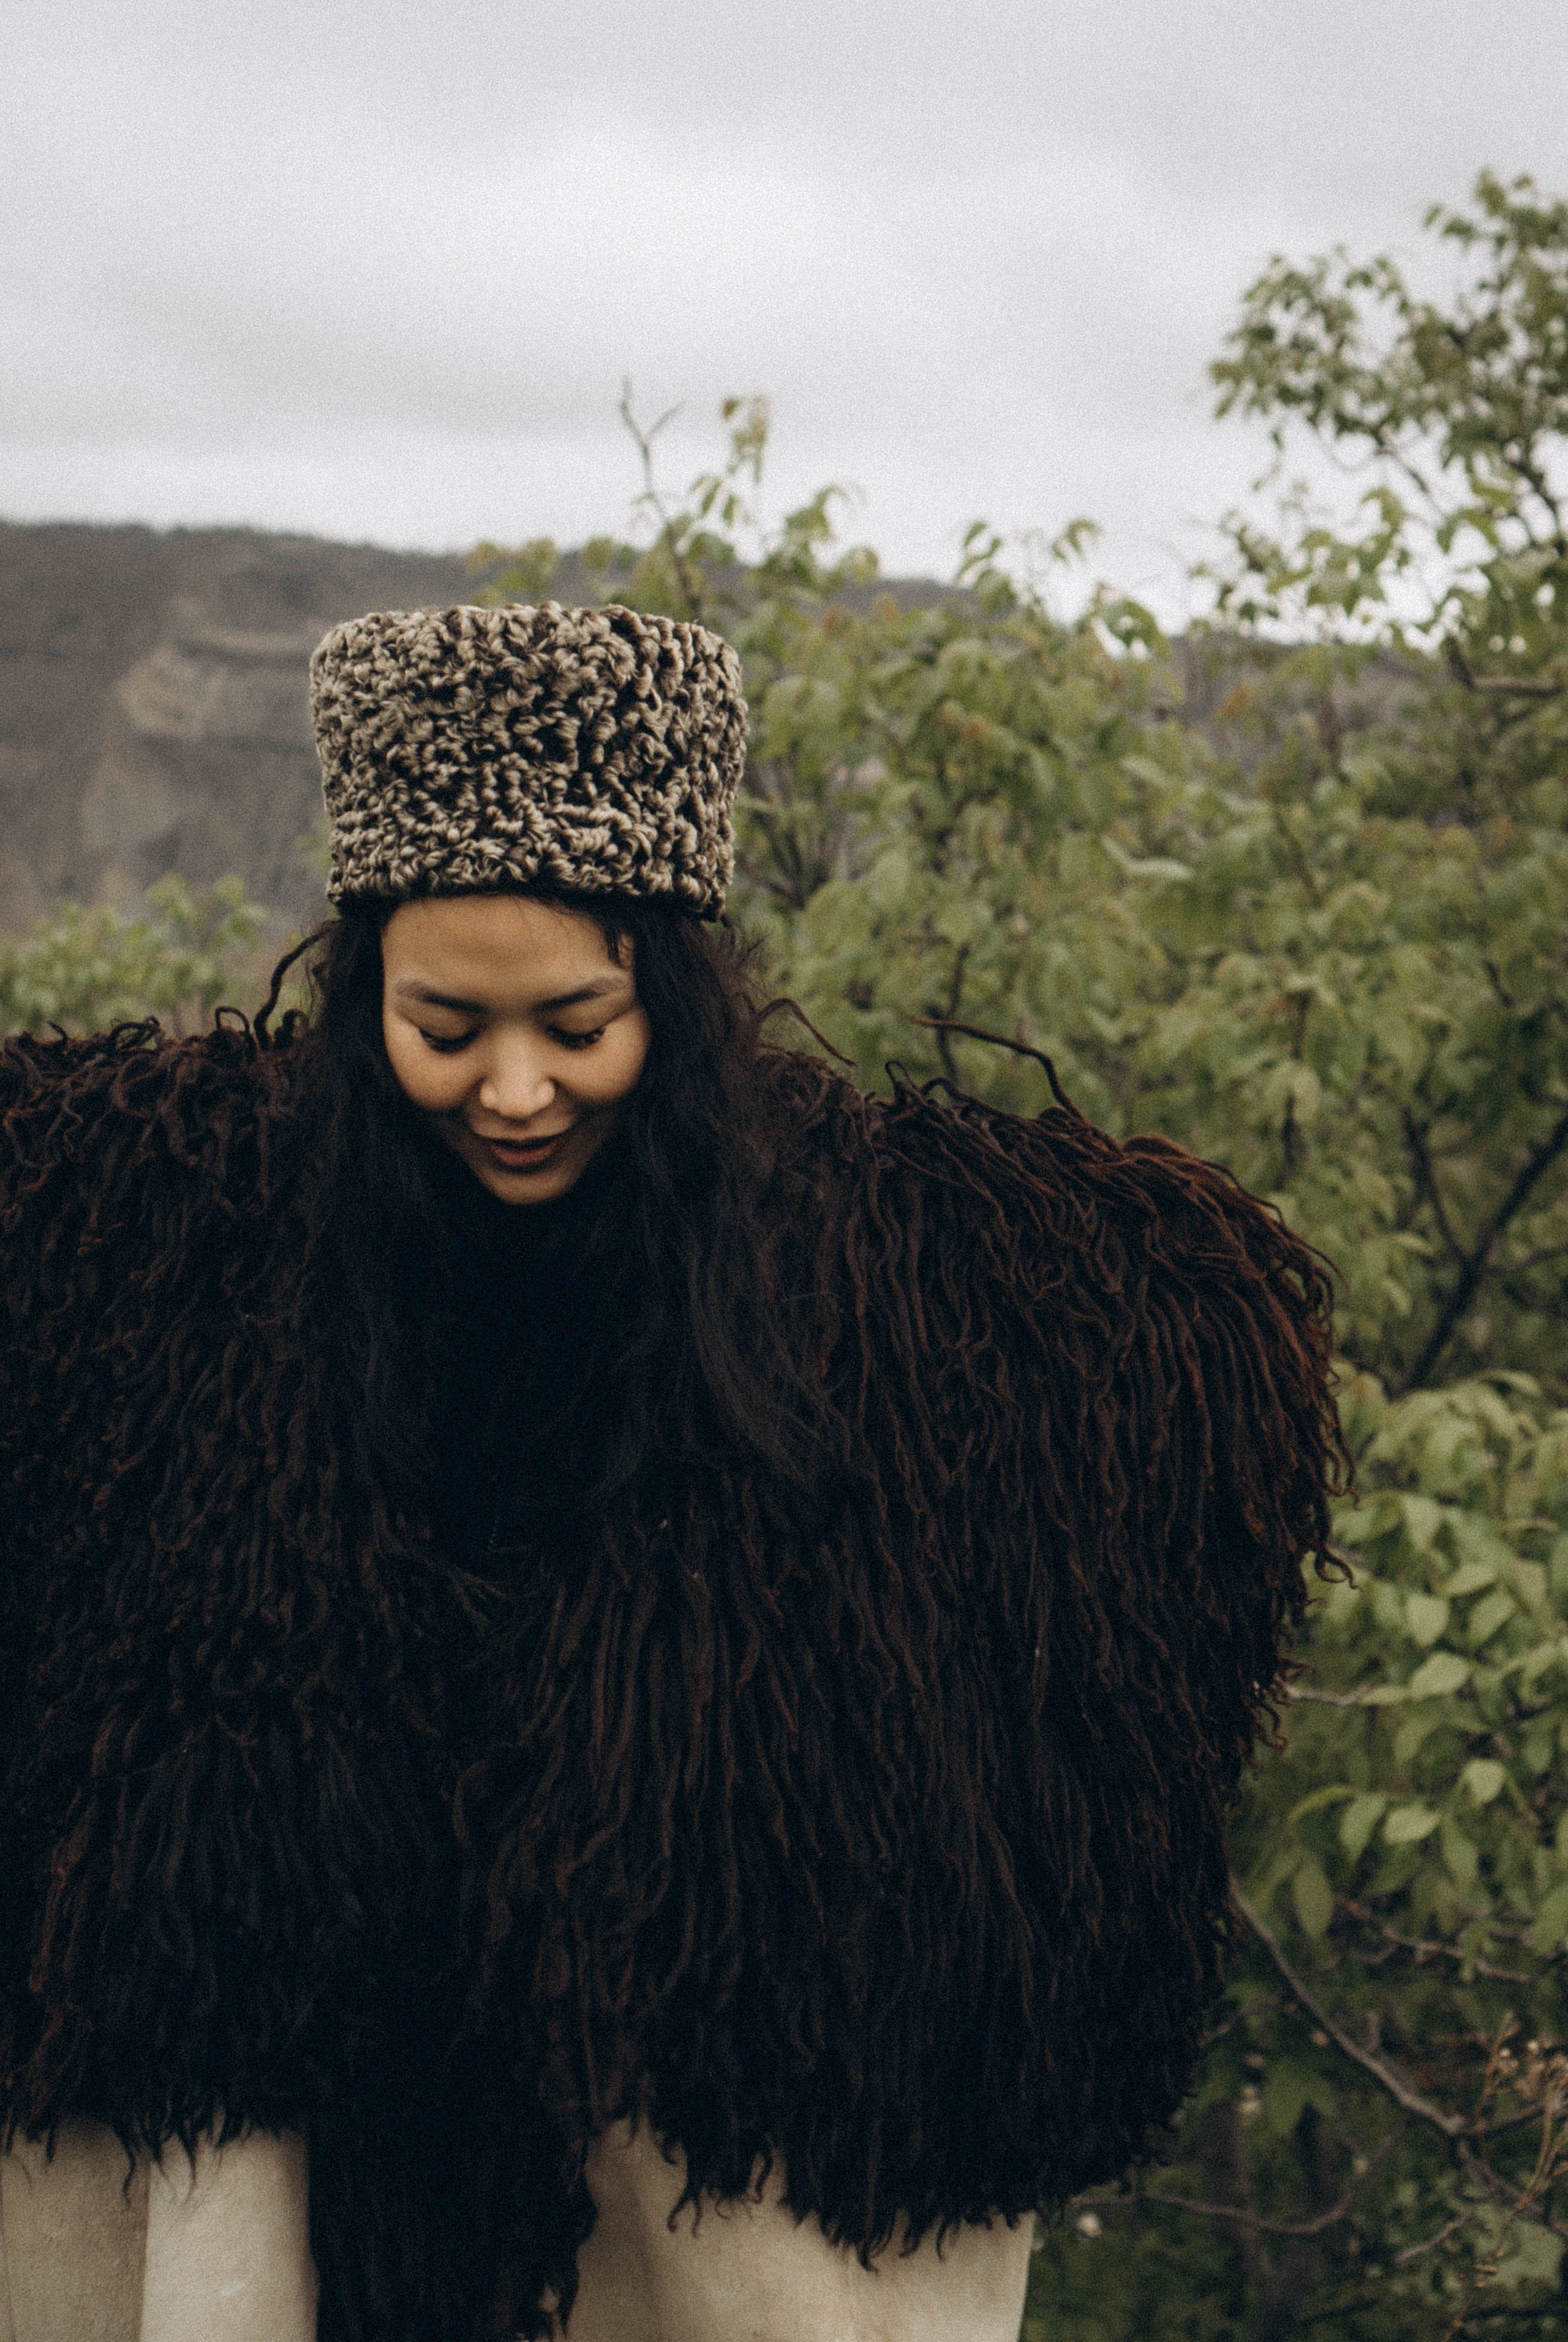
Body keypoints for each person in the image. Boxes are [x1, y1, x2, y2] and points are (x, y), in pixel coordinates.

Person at [0, 602, 1342, 2342]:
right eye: (445, 1027)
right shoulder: (173, 1265)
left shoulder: (885, 1316)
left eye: (576, 1024)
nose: (513, 1089)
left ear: (674, 1000)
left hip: (649, 2174)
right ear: (363, 1003)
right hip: (303, 2122)